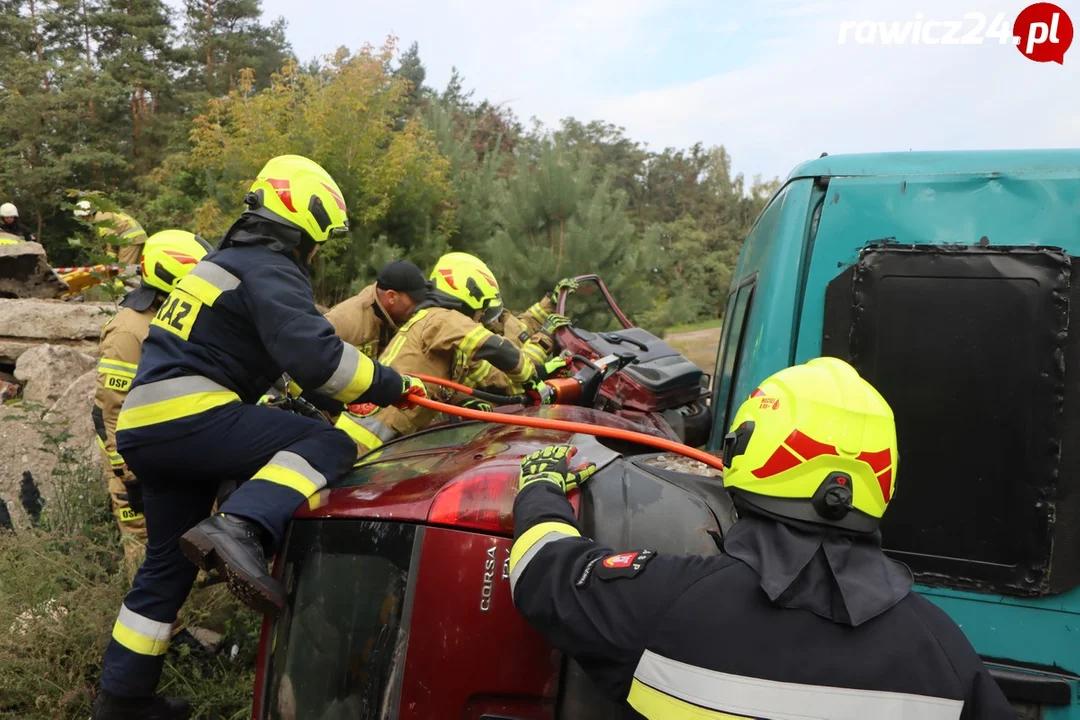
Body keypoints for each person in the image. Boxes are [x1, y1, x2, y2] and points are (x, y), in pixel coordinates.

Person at [91, 155, 424, 720]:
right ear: (305, 227)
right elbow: (317, 356)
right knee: (329, 445)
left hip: (148, 430)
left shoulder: (226, 264)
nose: (317, 255)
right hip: (190, 415)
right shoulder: (269, 266)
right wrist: (394, 385)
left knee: (165, 569)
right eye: (320, 241)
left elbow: (283, 368)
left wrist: (346, 393)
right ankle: (243, 526)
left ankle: (122, 700)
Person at [508, 357, 1016, 719]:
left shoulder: (663, 603)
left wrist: (540, 486)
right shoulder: (947, 658)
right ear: (884, 480)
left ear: (746, 449)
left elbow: (540, 568)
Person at [335, 251, 538, 454]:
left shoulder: (442, 332)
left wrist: (467, 400)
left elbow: (487, 378)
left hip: (381, 438)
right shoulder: (442, 319)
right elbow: (496, 348)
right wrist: (531, 378)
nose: (482, 316)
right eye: (483, 308)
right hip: (362, 441)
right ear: (469, 297)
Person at [92, 230, 212, 568]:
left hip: (166, 441)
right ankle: (162, 623)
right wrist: (128, 472)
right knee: (144, 541)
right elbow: (110, 408)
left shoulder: (174, 313)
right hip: (130, 452)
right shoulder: (129, 331)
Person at [324, 259, 428, 359]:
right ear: (391, 296)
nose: (419, 306)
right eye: (415, 300)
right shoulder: (342, 321)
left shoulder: (402, 317)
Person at [74, 200, 148, 265]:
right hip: (140, 236)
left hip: (129, 240)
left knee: (124, 271)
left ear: (85, 215)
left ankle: (119, 282)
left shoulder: (100, 218)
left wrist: (110, 259)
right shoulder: (105, 211)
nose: (84, 220)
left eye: (82, 217)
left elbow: (111, 238)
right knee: (137, 269)